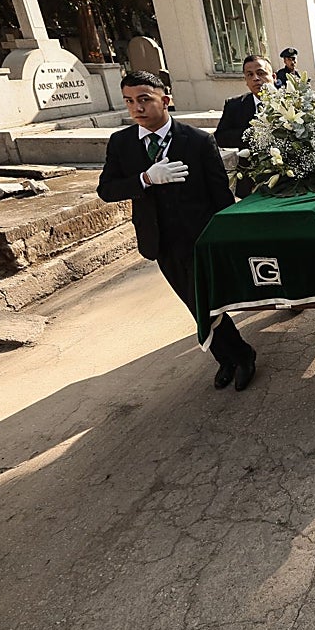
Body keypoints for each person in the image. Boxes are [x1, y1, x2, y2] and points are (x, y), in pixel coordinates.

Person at [98, 72, 257, 391]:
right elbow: (106, 189)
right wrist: (144, 179)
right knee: (192, 303)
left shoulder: (197, 140)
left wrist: (228, 236)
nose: (137, 108)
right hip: (161, 241)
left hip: (199, 238)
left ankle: (242, 355)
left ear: (165, 100)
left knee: (207, 300)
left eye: (144, 99)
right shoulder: (122, 143)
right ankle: (225, 358)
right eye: (129, 101)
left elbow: (220, 195)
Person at [215, 54, 273, 197]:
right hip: (250, 181)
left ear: (273, 76)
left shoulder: (291, 102)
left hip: (287, 179)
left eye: (261, 73)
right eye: (250, 75)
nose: (256, 78)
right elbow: (220, 137)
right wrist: (252, 134)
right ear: (246, 81)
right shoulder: (235, 105)